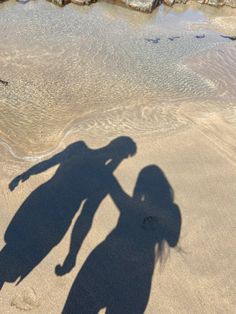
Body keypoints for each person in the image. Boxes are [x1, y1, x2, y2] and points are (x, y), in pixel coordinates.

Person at [0, 137, 136, 289]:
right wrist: (72, 253)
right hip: (55, 219)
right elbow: (85, 217)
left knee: (10, 252)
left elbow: (50, 162)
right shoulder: (104, 178)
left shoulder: (80, 149)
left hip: (41, 204)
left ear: (112, 142)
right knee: (13, 261)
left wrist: (26, 173)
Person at [62, 165, 181, 314]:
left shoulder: (130, 206)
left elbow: (109, 180)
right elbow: (173, 240)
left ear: (140, 187)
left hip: (103, 263)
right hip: (137, 276)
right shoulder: (170, 211)